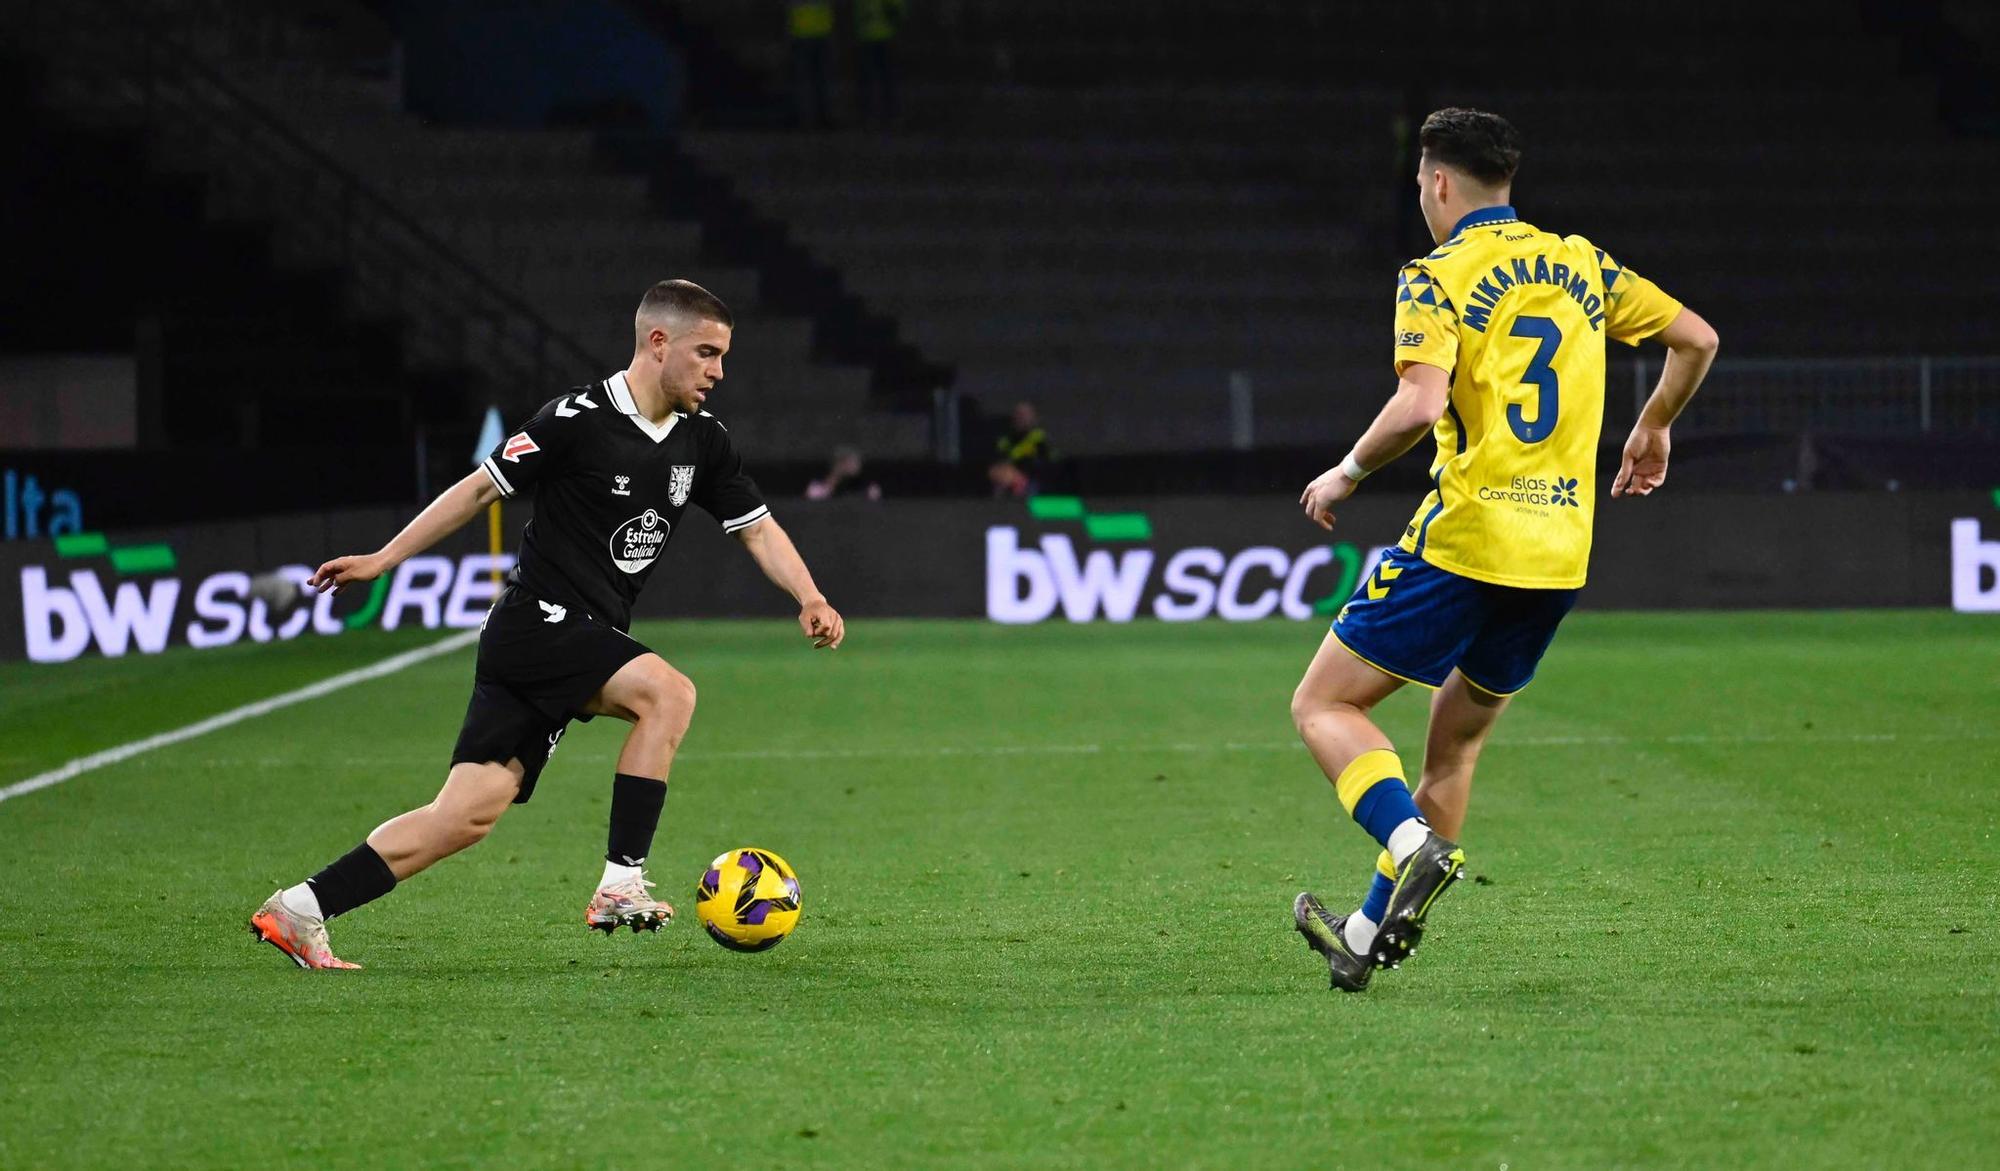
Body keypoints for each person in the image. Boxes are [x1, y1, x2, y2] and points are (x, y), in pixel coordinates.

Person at [249, 279, 846, 970]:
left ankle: (300, 907)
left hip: (559, 641)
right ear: (658, 342)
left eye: (722, 357)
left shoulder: (702, 441)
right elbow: (479, 488)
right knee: (668, 693)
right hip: (539, 622)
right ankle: (621, 880)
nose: (717, 371)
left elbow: (757, 528)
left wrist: (808, 594)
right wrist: (385, 558)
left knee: (464, 815)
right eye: (706, 353)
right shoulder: (577, 419)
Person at [1289, 109, 1719, 992]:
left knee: (1324, 705)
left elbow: (1417, 405)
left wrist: (1345, 472)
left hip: (1469, 538)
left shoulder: (1435, 274)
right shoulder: (1581, 263)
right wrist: (1653, 427)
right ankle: (1367, 936)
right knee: (1455, 747)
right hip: (1559, 553)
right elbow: (1698, 339)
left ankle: (1410, 844)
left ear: (1439, 183)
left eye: (1420, 185)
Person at [854, 0, 906, 127]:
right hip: (871, 37)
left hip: (882, 37)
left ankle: (887, 114)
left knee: (886, 79)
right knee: (876, 79)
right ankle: (874, 115)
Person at [988, 400, 1053, 498]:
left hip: (1032, 479)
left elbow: (1047, 461)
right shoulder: (1006, 439)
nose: (1021, 418)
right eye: (1019, 414)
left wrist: (1023, 476)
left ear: (1033, 417)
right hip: (1008, 478)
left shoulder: (1039, 437)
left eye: (1025, 415)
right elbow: (999, 460)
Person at [806, 445, 882, 500]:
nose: (858, 465)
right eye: (854, 462)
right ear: (840, 464)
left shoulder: (868, 489)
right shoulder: (816, 489)